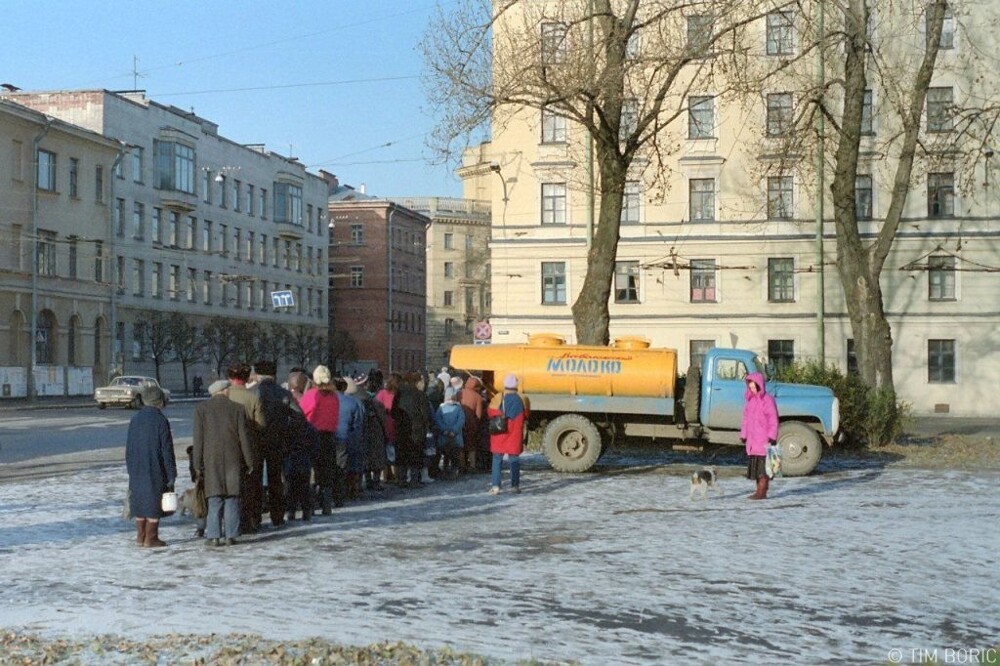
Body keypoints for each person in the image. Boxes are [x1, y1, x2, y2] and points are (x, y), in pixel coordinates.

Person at [192, 380, 255, 547]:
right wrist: (249, 461)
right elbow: (244, 439)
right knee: (232, 497)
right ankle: (231, 536)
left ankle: (213, 536)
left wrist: (196, 464)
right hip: (233, 460)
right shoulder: (238, 409)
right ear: (225, 390)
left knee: (214, 499)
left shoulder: (201, 409)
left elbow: (198, 440)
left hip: (211, 461)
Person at [125, 385, 177, 548]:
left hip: (137, 466)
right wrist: (171, 473)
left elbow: (129, 447)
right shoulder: (161, 420)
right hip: (155, 466)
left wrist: (130, 467)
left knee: (140, 501)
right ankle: (151, 538)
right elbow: (166, 450)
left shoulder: (135, 419)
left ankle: (140, 536)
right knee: (154, 502)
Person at [253, 360, 296, 528]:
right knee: (276, 479)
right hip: (278, 441)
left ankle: (255, 517)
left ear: (258, 374)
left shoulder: (253, 392)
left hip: (256, 441)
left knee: (255, 480)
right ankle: (277, 516)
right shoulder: (283, 393)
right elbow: (298, 414)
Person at [226, 363, 267, 533]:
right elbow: (261, 425)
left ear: (229, 378)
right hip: (250, 448)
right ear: (247, 378)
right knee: (252, 487)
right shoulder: (253, 398)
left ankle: (232, 522)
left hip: (228, 449)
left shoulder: (224, 395)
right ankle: (252, 521)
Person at [299, 365, 342, 514]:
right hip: (329, 437)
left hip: (312, 436)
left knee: (311, 472)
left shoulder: (311, 395)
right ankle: (326, 505)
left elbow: (301, 415)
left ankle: (310, 506)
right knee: (326, 472)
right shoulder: (334, 397)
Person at [487, 373, 530, 495]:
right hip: (515, 434)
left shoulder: (498, 398)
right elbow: (526, 415)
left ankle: (496, 486)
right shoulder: (523, 399)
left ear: (505, 385)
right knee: (514, 460)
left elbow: (490, 413)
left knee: (497, 459)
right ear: (516, 385)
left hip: (499, 433)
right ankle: (514, 486)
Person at [740, 371, 779, 500]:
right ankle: (758, 491)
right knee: (757, 470)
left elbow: (773, 419)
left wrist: (772, 436)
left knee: (764, 470)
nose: (752, 389)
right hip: (752, 442)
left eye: (754, 386)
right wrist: (744, 435)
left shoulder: (767, 400)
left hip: (763, 441)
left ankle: (762, 492)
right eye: (750, 387)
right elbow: (745, 420)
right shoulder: (750, 402)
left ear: (759, 385)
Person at [284, 369, 317, 521]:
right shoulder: (308, 399)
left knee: (290, 483)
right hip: (305, 447)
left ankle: (291, 510)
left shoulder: (285, 400)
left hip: (290, 448)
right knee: (304, 482)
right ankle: (306, 510)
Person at [394, 371, 432, 486]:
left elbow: (393, 412)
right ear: (416, 381)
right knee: (416, 455)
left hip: (401, 428)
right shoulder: (420, 395)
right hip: (417, 430)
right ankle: (414, 480)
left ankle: (401, 479)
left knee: (402, 455)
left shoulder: (399, 394)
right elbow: (425, 414)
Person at [337, 377, 365, 500]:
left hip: (330, 437)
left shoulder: (326, 400)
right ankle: (352, 490)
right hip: (349, 438)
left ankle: (337, 490)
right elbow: (359, 423)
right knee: (352, 466)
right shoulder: (354, 402)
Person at [434, 386, 466, 478]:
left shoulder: (441, 408)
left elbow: (438, 420)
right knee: (455, 455)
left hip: (443, 436)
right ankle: (454, 471)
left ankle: (445, 470)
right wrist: (454, 431)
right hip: (456, 437)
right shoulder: (458, 408)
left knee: (445, 455)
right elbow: (461, 421)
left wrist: (444, 430)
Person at [459, 375, 486, 473]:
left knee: (461, 446)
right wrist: (476, 423)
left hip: (459, 423)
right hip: (471, 424)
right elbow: (478, 414)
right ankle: (472, 466)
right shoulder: (478, 397)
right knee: (471, 446)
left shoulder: (459, 393)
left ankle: (461, 466)